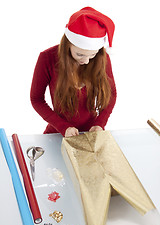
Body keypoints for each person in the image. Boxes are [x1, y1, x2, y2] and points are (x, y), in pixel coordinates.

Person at [30, 6, 117, 137]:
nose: (87, 61)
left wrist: (100, 123)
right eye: (80, 54)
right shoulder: (47, 58)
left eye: (92, 55)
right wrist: (62, 126)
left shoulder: (102, 58)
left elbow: (112, 94)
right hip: (58, 131)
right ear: (68, 44)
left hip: (92, 132)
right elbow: (36, 99)